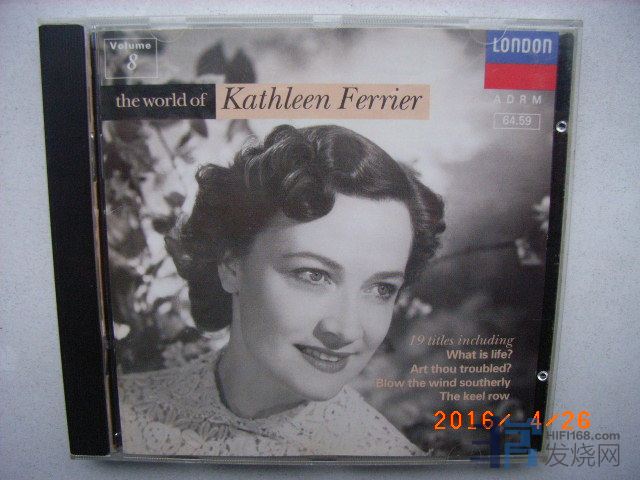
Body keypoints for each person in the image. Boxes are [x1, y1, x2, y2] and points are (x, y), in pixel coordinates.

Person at [118, 124, 445, 457]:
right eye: (313, 275)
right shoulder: (122, 411)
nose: (346, 330)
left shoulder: (392, 462)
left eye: (381, 289)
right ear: (231, 264)